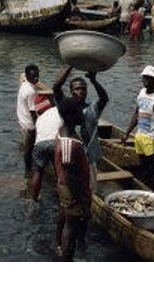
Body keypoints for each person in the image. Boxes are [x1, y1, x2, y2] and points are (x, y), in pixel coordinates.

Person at [53, 65, 108, 192]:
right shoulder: (66, 106)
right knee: (70, 187)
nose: (81, 91)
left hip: (88, 156)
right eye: (77, 89)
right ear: (71, 91)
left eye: (83, 89)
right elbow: (56, 87)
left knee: (90, 189)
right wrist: (71, 65)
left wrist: (93, 81)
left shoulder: (92, 109)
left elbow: (104, 98)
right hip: (70, 154)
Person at [52, 98, 92, 261]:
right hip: (72, 190)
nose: (82, 114)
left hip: (65, 186)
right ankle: (66, 257)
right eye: (79, 111)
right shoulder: (69, 144)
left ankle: (58, 246)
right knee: (71, 227)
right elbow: (70, 176)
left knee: (64, 217)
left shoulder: (64, 132)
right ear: (70, 116)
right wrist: (83, 202)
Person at [121, 65, 154, 187]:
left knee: (153, 167)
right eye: (145, 77)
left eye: (149, 78)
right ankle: (147, 185)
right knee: (143, 164)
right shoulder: (141, 93)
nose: (146, 80)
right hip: (140, 135)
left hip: (152, 137)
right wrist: (127, 133)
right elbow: (136, 114)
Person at [30, 90, 63, 202]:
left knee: (38, 171)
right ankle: (62, 200)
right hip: (55, 143)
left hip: (39, 144)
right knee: (59, 173)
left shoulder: (39, 119)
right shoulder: (57, 110)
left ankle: (33, 199)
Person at [16, 64, 40, 176]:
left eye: (37, 76)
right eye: (33, 77)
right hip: (29, 124)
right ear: (27, 76)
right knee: (29, 149)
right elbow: (33, 112)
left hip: (22, 120)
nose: (36, 79)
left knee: (27, 146)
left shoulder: (24, 84)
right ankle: (28, 170)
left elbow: (22, 75)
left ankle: (28, 168)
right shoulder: (31, 91)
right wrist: (38, 126)